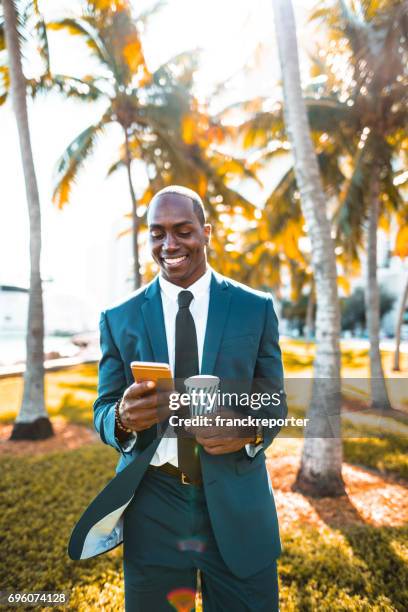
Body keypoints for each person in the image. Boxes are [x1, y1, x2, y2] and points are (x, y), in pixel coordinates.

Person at [68, 185, 287, 611]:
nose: (169, 244)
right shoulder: (119, 317)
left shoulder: (254, 308)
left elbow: (274, 400)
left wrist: (247, 428)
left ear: (206, 232)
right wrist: (122, 417)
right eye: (157, 233)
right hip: (154, 502)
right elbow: (102, 408)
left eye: (183, 231)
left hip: (238, 496)